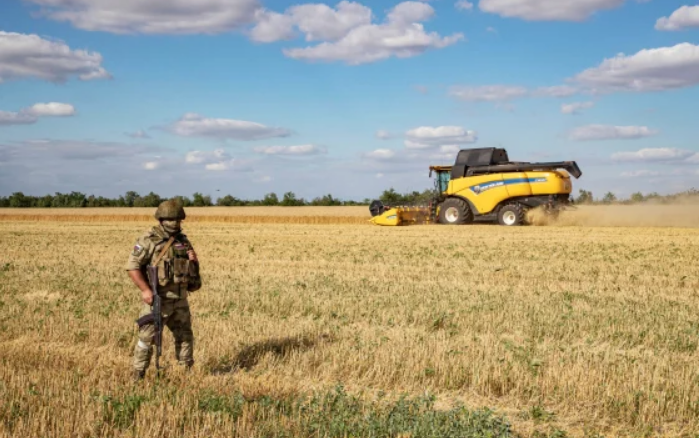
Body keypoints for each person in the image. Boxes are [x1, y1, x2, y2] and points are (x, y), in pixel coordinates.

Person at [125, 199, 202, 380]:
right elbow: (132, 267)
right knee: (147, 339)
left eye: (177, 220)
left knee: (185, 336)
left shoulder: (183, 241)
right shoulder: (148, 240)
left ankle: (186, 372)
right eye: (170, 219)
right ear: (161, 220)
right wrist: (145, 290)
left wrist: (194, 261)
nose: (175, 223)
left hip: (180, 298)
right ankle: (138, 374)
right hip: (159, 298)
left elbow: (193, 274)